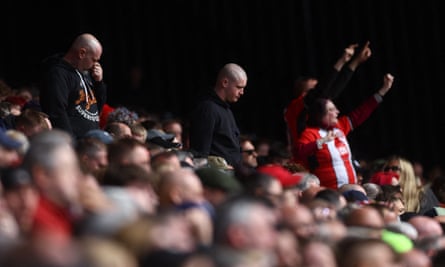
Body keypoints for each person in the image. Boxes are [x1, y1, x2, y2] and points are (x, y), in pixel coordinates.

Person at [294, 73, 394, 189]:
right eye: (331, 109)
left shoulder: (340, 126)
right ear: (320, 115)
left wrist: (383, 90)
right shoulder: (310, 133)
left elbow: (362, 112)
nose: (337, 111)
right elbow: (298, 152)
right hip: (331, 192)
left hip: (351, 188)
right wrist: (322, 141)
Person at [284, 42, 372, 160]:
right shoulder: (294, 108)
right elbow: (323, 89)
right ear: (304, 94)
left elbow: (334, 89)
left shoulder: (323, 118)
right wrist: (341, 61)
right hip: (304, 164)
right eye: (313, 90)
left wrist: (355, 62)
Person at [39, 33, 106, 139]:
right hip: (75, 145)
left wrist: (99, 82)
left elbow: (98, 108)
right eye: (94, 60)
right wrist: (70, 143)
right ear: (82, 53)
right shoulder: (58, 74)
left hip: (91, 143)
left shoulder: (84, 72)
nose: (95, 65)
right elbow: (57, 112)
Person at [189, 63, 247, 168]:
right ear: (225, 82)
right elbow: (200, 153)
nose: (242, 92)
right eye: (239, 87)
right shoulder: (208, 108)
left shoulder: (226, 110)